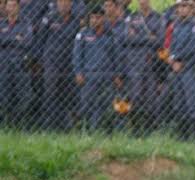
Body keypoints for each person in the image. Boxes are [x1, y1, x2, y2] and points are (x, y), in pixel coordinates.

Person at [33, 0, 79, 130]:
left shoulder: (76, 20)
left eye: (67, 2)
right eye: (61, 2)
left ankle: (65, 126)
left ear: (71, 4)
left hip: (69, 62)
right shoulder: (49, 18)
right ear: (57, 3)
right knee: (50, 92)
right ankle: (48, 125)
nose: (64, 4)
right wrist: (38, 60)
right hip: (51, 61)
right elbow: (40, 39)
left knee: (66, 93)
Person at [122, 0, 164, 133]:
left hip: (152, 65)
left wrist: (139, 37)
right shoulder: (132, 17)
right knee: (135, 97)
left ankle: (150, 130)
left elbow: (160, 40)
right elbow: (127, 40)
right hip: (135, 64)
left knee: (151, 99)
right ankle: (135, 129)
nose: (142, 2)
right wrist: (148, 37)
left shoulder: (159, 18)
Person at [72, 6, 116, 131]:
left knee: (104, 106)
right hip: (88, 76)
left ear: (103, 18)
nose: (94, 20)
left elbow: (116, 56)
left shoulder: (110, 35)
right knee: (86, 105)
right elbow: (77, 55)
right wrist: (78, 72)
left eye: (97, 17)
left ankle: (98, 130)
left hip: (106, 76)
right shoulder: (82, 34)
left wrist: (116, 74)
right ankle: (84, 130)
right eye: (92, 17)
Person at [0, 0, 33, 128]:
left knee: (23, 96)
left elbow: (27, 41)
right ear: (5, 7)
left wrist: (7, 40)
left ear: (19, 7)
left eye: (14, 5)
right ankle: (6, 126)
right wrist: (16, 38)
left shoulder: (26, 23)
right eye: (9, 5)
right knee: (4, 96)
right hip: (3, 64)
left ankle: (21, 126)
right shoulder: (1, 23)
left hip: (21, 64)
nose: (11, 8)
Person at [167, 0, 195, 139]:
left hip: (189, 68)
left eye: (185, 6)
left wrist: (178, 59)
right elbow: (172, 45)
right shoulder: (176, 25)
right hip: (176, 68)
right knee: (178, 102)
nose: (182, 9)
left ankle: (193, 135)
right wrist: (172, 59)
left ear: (191, 9)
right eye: (180, 6)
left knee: (190, 102)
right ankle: (182, 135)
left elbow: (193, 47)